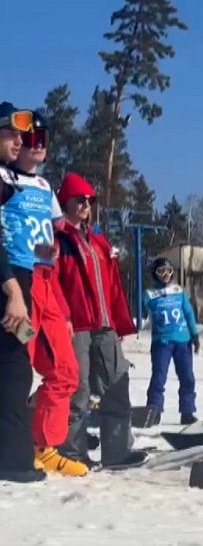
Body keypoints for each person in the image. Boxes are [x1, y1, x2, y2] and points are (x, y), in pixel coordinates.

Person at [4, 107, 86, 477]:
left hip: (46, 283)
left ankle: (42, 442)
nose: (35, 146)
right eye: (29, 138)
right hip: (21, 281)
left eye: (42, 139)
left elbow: (53, 232)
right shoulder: (7, 178)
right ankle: (32, 441)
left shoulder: (44, 186)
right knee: (22, 357)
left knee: (66, 369)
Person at [55, 172, 148, 467]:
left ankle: (117, 450)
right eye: (79, 200)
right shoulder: (58, 239)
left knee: (116, 383)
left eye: (89, 200)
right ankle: (72, 453)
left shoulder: (97, 239)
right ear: (65, 202)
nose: (85, 205)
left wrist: (119, 321)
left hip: (104, 325)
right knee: (77, 388)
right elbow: (52, 283)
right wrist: (61, 317)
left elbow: (113, 285)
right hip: (75, 325)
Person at [0, 102, 45, 483]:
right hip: (9, 281)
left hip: (21, 278)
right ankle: (13, 460)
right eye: (12, 134)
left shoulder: (11, 181)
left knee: (16, 359)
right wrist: (13, 289)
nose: (21, 141)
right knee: (16, 366)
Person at [141, 257, 200, 427]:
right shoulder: (149, 294)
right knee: (159, 377)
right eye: (161, 271)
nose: (165, 275)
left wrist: (195, 334)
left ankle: (187, 412)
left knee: (187, 377)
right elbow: (142, 314)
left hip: (183, 340)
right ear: (155, 273)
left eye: (168, 271)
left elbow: (188, 313)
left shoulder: (178, 291)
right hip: (162, 342)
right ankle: (154, 411)